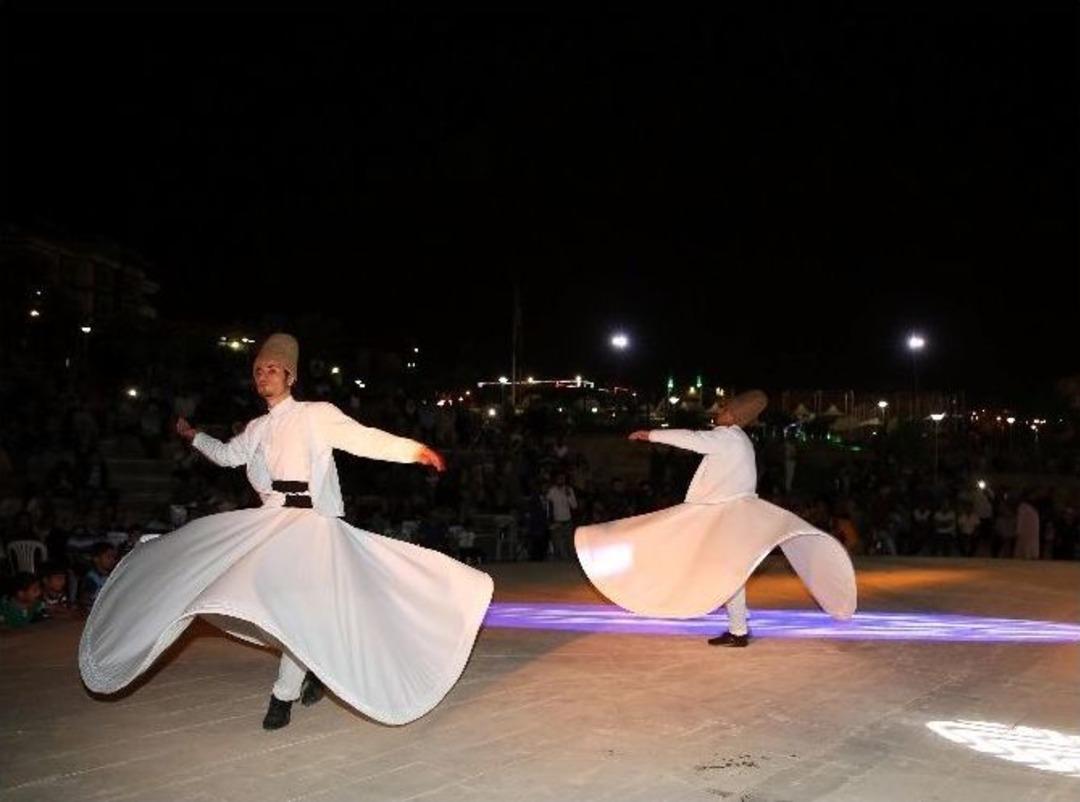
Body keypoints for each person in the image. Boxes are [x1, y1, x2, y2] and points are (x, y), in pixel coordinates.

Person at [79, 333, 493, 730]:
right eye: (259, 370)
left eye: (273, 369)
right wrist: (195, 436)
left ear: (291, 376)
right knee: (279, 603)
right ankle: (313, 667)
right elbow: (227, 456)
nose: (264, 376)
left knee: (303, 608)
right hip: (274, 522)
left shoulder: (316, 414)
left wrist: (412, 451)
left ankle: (283, 694)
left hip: (313, 525)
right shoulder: (259, 427)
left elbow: (363, 439)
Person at [575, 390, 856, 648]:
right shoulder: (742, 441)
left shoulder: (727, 437)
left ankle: (738, 629)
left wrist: (652, 434)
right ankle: (739, 621)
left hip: (725, 513)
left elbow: (693, 439)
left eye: (723, 410)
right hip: (736, 512)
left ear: (733, 416)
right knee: (728, 569)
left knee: (720, 567)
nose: (717, 413)